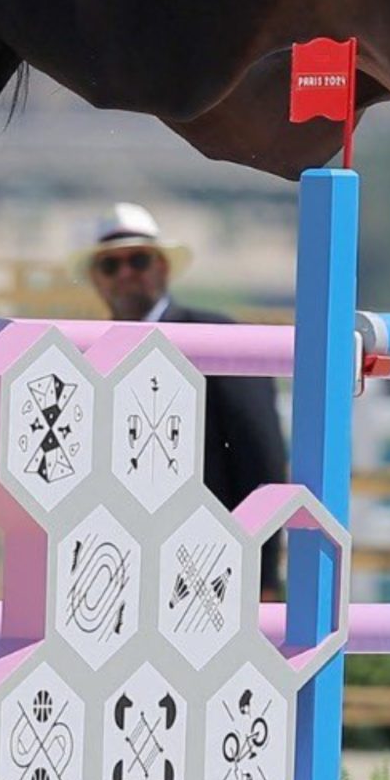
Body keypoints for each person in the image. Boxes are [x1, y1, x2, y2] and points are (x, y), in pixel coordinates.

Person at [80, 203, 291, 592]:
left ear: (162, 267)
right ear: (97, 279)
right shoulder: (91, 354)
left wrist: (260, 575)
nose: (125, 273)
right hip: (121, 572)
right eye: (111, 266)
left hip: (211, 563)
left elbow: (261, 455)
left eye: (138, 260)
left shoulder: (215, 338)